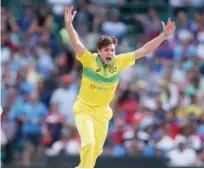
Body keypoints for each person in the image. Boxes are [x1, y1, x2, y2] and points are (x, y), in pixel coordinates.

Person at [64, 6, 176, 168]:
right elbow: (76, 41)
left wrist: (163, 36)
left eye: (113, 50)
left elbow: (144, 50)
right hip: (84, 109)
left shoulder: (118, 61)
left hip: (102, 112)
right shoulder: (88, 59)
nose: (111, 53)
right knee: (88, 143)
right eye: (107, 50)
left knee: (96, 149)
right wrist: (69, 25)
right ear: (99, 51)